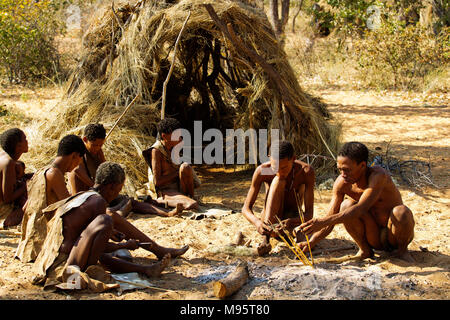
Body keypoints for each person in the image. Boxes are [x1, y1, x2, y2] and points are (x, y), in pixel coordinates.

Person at [32, 162, 188, 289]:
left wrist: (112, 236)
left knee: (108, 227)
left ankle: (147, 269)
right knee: (105, 222)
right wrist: (126, 244)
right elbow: (101, 248)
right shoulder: (98, 202)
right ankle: (147, 268)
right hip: (64, 264)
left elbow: (84, 235)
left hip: (51, 258)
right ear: (111, 186)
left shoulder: (85, 196)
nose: (116, 194)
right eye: (118, 189)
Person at [298, 142, 415, 262]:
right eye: (339, 170)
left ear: (363, 166)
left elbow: (361, 209)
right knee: (346, 206)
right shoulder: (342, 183)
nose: (343, 175)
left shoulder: (378, 177)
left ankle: (402, 251)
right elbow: (331, 218)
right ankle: (365, 250)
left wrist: (322, 221)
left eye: (347, 170)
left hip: (394, 235)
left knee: (401, 211)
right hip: (373, 236)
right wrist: (311, 242)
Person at [68, 123, 183, 217]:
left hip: (97, 193)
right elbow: (82, 176)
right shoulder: (78, 155)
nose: (97, 148)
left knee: (131, 202)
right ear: (85, 140)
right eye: (94, 145)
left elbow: (105, 169)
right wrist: (100, 190)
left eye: (100, 145)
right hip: (84, 199)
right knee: (113, 210)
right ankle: (118, 212)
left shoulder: (98, 151)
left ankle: (167, 213)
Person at [15, 134, 87, 262]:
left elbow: (27, 207)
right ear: (74, 156)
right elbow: (69, 208)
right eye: (77, 162)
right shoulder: (55, 174)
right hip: (42, 241)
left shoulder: (41, 171)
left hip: (30, 241)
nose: (75, 166)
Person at [241, 140, 315, 256]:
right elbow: (245, 208)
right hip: (270, 222)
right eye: (275, 167)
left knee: (304, 242)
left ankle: (293, 236)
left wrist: (292, 222)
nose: (279, 172)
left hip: (294, 219)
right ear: (269, 158)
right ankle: (266, 239)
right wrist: (257, 223)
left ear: (293, 158)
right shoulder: (263, 171)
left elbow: (309, 214)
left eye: (284, 167)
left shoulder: (305, 172)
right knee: (278, 180)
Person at [143, 118, 200, 211]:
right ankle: (159, 201)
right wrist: (178, 173)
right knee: (192, 205)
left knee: (185, 167)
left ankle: (190, 196)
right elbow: (157, 182)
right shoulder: (156, 151)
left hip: (178, 188)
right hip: (166, 191)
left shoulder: (173, 148)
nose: (180, 138)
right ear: (164, 136)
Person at [0, 128, 29, 229]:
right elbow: (8, 198)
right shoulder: (8, 163)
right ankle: (6, 221)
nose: (27, 141)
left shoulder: (3, 157)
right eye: (24, 139)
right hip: (3, 211)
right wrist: (28, 184)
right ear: (18, 147)